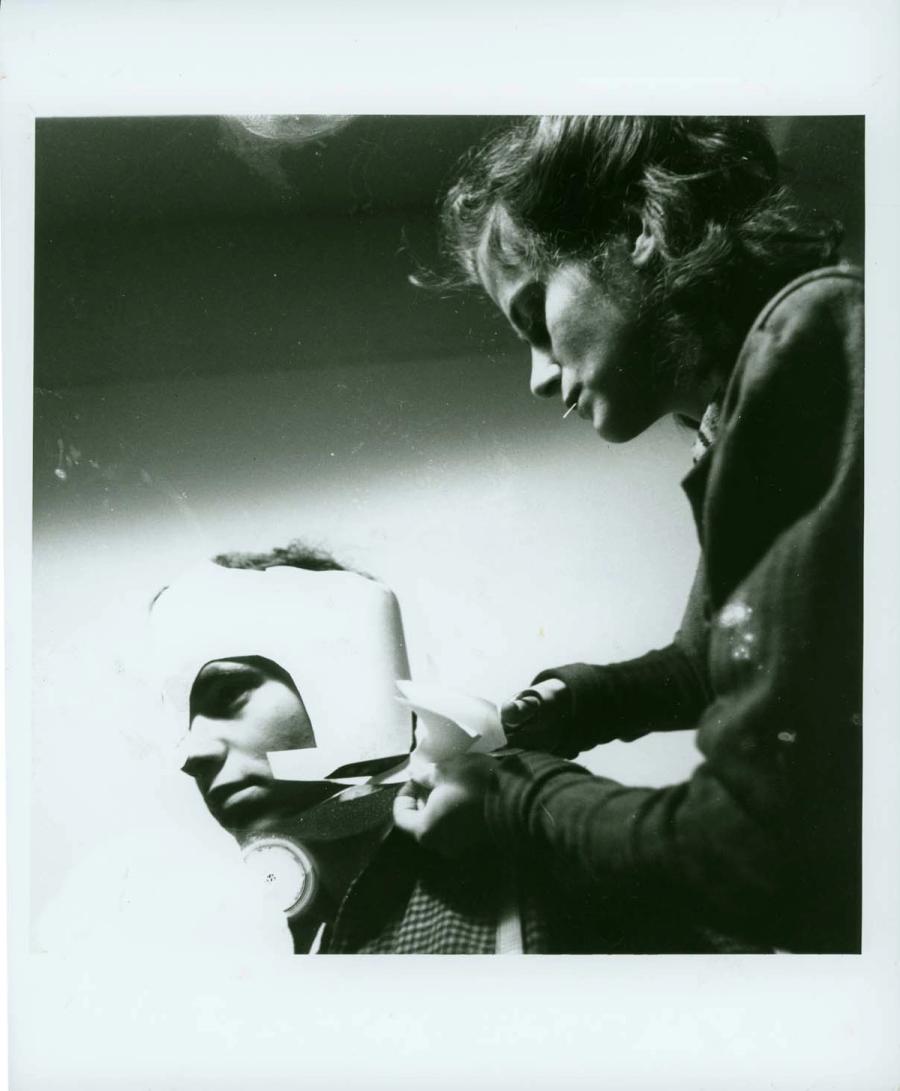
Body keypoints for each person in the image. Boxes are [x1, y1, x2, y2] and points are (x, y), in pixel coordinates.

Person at [394, 116, 862, 954]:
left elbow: (744, 851)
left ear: (645, 228)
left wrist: (510, 791)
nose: (538, 378)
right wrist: (571, 705)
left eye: (537, 315)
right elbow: (717, 657)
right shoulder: (744, 402)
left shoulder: (812, 340)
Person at [152, 541, 724, 953]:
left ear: (341, 674)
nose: (191, 753)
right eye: (181, 721)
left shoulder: (524, 820)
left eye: (228, 693)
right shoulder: (282, 941)